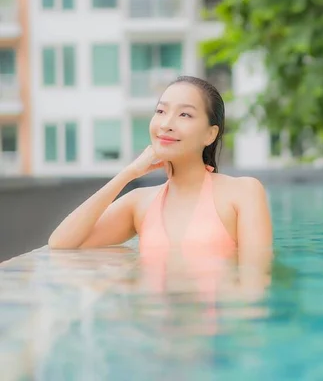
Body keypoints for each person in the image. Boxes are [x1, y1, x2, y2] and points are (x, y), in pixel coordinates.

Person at [48, 76, 273, 275]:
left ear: (209, 134)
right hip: (156, 319)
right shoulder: (140, 203)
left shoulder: (243, 192)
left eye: (185, 114)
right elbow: (61, 244)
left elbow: (254, 282)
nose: (166, 124)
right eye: (161, 111)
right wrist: (128, 174)